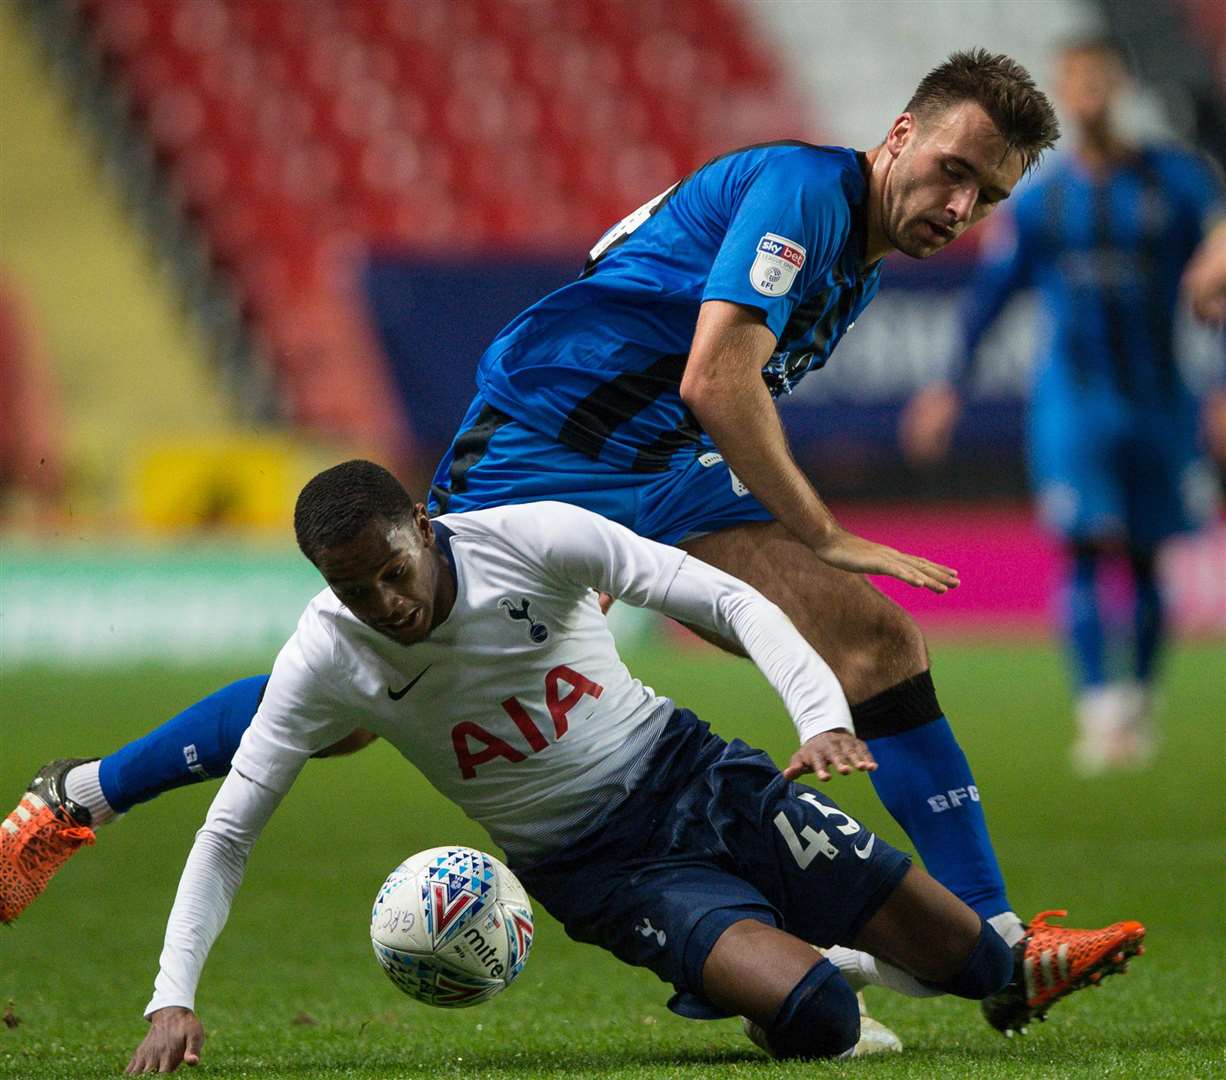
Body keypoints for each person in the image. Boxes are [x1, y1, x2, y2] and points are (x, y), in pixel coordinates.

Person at [5, 50, 1137, 1037]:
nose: (958, 202)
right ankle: (77, 799)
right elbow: (714, 375)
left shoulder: (851, 258)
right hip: (541, 454)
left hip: (649, 469)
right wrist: (822, 532)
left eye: (983, 195)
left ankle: (996, 944)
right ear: (896, 135)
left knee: (874, 646)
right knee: (358, 700)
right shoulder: (804, 191)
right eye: (950, 168)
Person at [123, 461, 1137, 1073]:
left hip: (697, 773)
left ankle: (991, 970)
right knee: (819, 1023)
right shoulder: (323, 657)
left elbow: (728, 601)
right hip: (601, 869)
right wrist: (173, 995)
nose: (383, 602)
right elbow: (229, 833)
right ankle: (806, 968)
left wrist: (820, 717)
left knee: (976, 965)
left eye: (393, 572)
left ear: (424, 532)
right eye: (355, 590)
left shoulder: (534, 540)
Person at [899, 38, 1226, 773]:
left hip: (1161, 399)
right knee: (1081, 546)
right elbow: (993, 295)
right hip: (1073, 404)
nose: (1088, 93)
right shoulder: (1043, 198)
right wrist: (950, 383)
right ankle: (1097, 708)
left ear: (1119, 84)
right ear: (1061, 91)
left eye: (1100, 78)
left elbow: (1218, 274)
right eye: (1075, 80)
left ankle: (1136, 699)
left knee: (1145, 556)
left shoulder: (1176, 182)